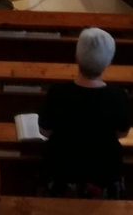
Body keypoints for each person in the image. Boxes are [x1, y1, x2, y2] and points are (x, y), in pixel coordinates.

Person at [38, 28, 131, 198]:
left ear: (77, 57)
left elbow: (45, 130)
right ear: (108, 63)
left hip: (60, 178)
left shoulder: (57, 93)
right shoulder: (118, 96)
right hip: (104, 179)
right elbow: (122, 132)